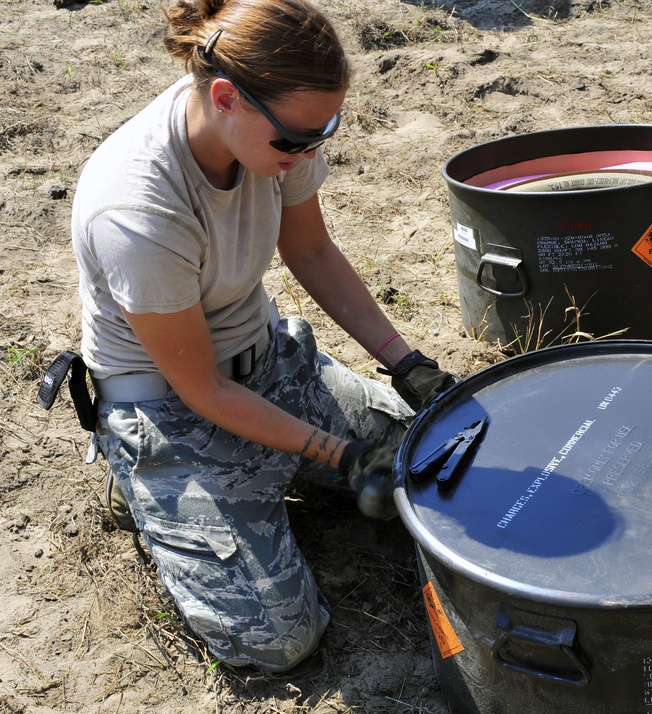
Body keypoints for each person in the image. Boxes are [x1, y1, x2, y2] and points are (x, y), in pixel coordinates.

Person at [70, 0, 455, 673]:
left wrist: (407, 362)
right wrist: (339, 454)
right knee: (278, 639)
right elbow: (202, 389)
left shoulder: (277, 131)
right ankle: (145, 487)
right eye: (298, 140)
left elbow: (311, 253)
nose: (308, 152)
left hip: (268, 362)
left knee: (433, 465)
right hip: (172, 410)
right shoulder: (136, 206)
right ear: (225, 97)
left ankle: (268, 484)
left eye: (324, 132)